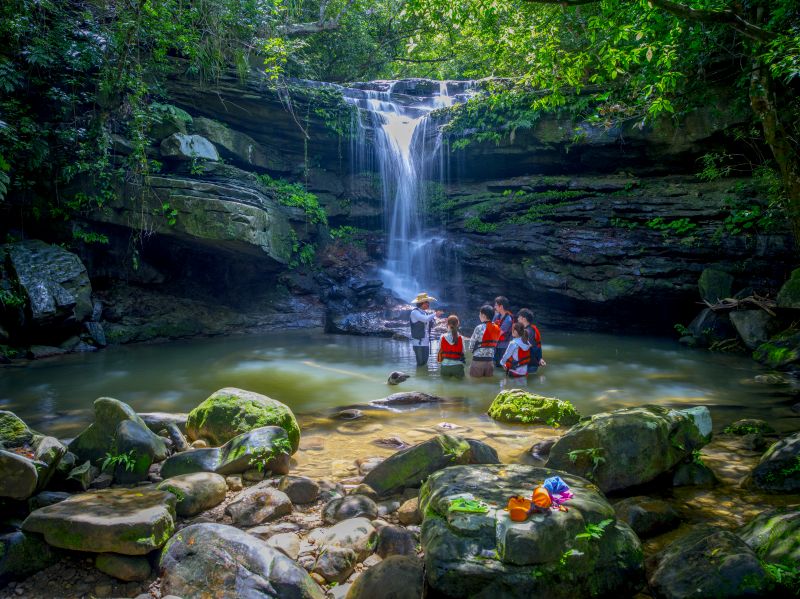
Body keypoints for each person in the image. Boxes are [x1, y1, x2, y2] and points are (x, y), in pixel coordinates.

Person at [409, 292, 443, 367]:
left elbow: (431, 325)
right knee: (420, 364)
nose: (428, 304)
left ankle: (422, 377)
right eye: (427, 302)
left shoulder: (425, 313)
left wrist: (443, 321)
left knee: (424, 364)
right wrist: (435, 314)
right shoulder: (414, 312)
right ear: (422, 303)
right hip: (418, 343)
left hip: (426, 342)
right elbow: (425, 320)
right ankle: (419, 377)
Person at [468, 304, 501, 377]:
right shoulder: (497, 328)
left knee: (475, 383)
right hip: (490, 362)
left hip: (478, 361)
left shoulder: (479, 327)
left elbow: (471, 345)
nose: (479, 316)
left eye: (479, 314)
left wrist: (471, 351)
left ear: (483, 315)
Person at [492, 296, 514, 367]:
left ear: (501, 306)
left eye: (496, 305)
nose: (494, 307)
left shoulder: (508, 319)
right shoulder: (497, 316)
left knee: (501, 366)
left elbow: (499, 333)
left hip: (503, 347)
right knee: (496, 365)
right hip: (496, 345)